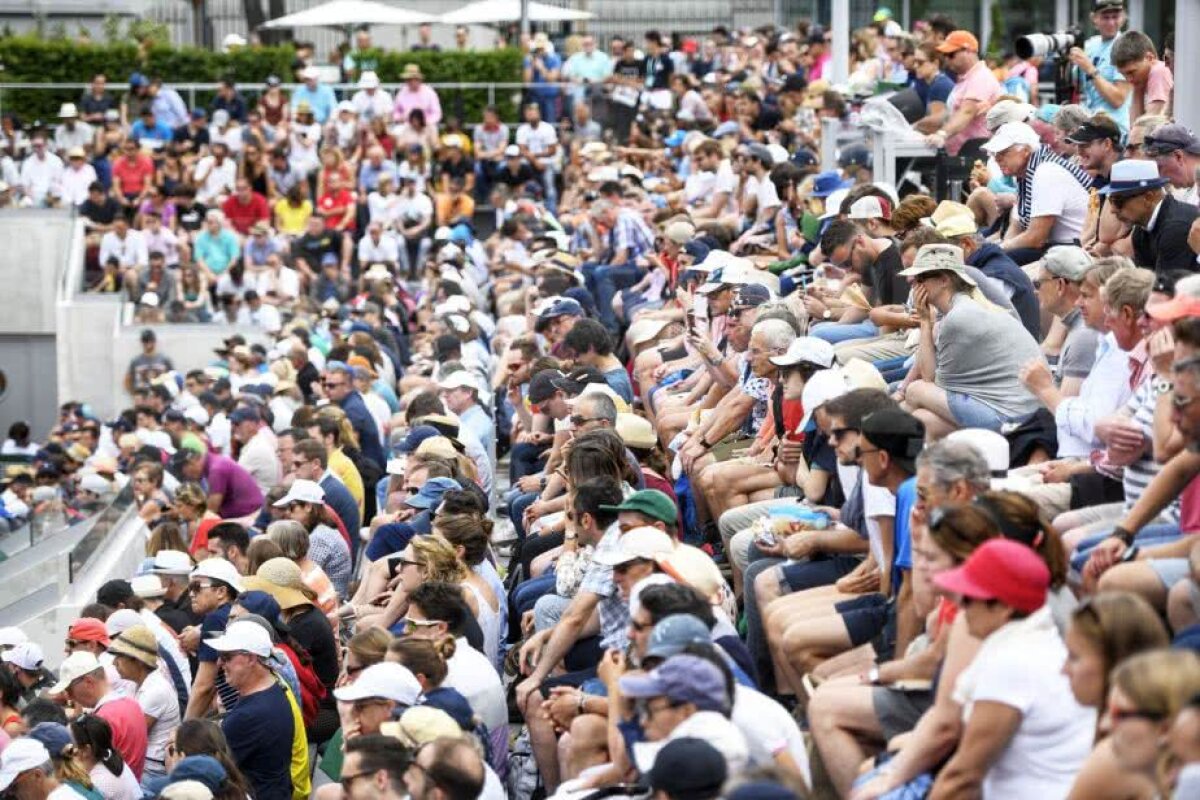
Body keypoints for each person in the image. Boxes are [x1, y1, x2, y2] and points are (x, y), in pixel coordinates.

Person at [928, 539, 1095, 799]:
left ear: (1004, 607)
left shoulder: (1012, 662)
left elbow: (961, 779)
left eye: (971, 598)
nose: (962, 606)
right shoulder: (1030, 640)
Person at [898, 243, 1043, 436]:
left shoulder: (959, 317)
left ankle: (882, 441)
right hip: (1019, 413)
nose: (913, 282)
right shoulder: (967, 306)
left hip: (1010, 417)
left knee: (915, 390)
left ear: (943, 280)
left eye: (921, 278)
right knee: (924, 420)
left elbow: (929, 379)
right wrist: (926, 321)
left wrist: (925, 321)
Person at [205, 620, 299, 800]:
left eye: (227, 657)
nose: (220, 663)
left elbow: (212, 773)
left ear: (250, 658)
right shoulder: (275, 687)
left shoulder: (248, 717)